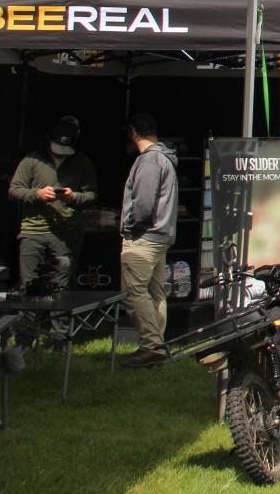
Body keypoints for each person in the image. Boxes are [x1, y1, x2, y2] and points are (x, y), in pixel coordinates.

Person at [8, 115, 98, 298]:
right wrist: (37, 194)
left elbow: (92, 195)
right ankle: (30, 324)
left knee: (61, 288)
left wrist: (73, 197)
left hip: (65, 233)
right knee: (29, 286)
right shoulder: (32, 160)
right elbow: (13, 190)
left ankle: (60, 327)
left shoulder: (82, 162)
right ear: (49, 139)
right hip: (33, 231)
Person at [118, 112, 179, 368]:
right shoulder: (164, 158)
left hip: (144, 237)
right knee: (155, 293)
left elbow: (143, 204)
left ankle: (151, 346)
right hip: (160, 235)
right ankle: (156, 346)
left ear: (133, 132)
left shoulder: (149, 161)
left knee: (133, 293)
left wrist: (130, 227)